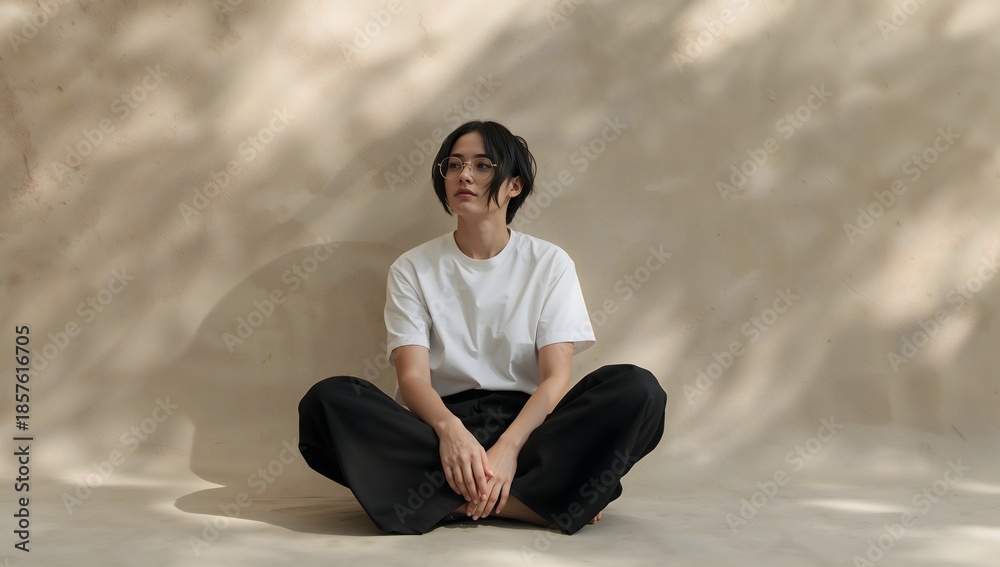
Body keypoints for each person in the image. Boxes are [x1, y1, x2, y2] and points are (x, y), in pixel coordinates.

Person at [297, 120, 666, 535]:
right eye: (454, 165)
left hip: (530, 431)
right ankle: (542, 502)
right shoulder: (412, 268)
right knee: (327, 401)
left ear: (514, 185)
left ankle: (446, 502)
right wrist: (451, 432)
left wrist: (508, 447)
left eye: (482, 165)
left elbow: (555, 380)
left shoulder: (550, 264)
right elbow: (412, 378)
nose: (464, 175)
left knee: (638, 388)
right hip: (438, 432)